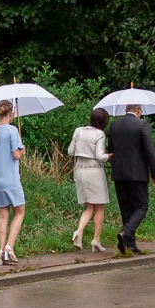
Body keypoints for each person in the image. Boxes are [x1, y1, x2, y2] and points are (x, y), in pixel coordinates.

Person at [108, 104, 155, 254]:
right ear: (138, 110)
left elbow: (111, 150)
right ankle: (126, 233)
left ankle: (130, 245)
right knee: (142, 206)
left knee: (126, 208)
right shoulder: (142, 125)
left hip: (119, 173)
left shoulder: (114, 126)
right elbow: (150, 151)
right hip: (137, 173)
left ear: (125, 110)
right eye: (140, 111)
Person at [0, 100, 27, 265]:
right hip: (10, 178)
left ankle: (1, 250)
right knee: (20, 212)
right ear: (10, 113)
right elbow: (16, 155)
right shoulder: (12, 130)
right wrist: (22, 151)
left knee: (3, 215)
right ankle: (9, 247)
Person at [67, 108, 113, 252]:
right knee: (99, 207)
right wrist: (110, 156)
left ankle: (79, 232)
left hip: (80, 171)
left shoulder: (78, 131)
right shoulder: (100, 134)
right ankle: (96, 240)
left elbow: (70, 151)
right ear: (104, 121)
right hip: (94, 172)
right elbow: (100, 156)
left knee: (88, 208)